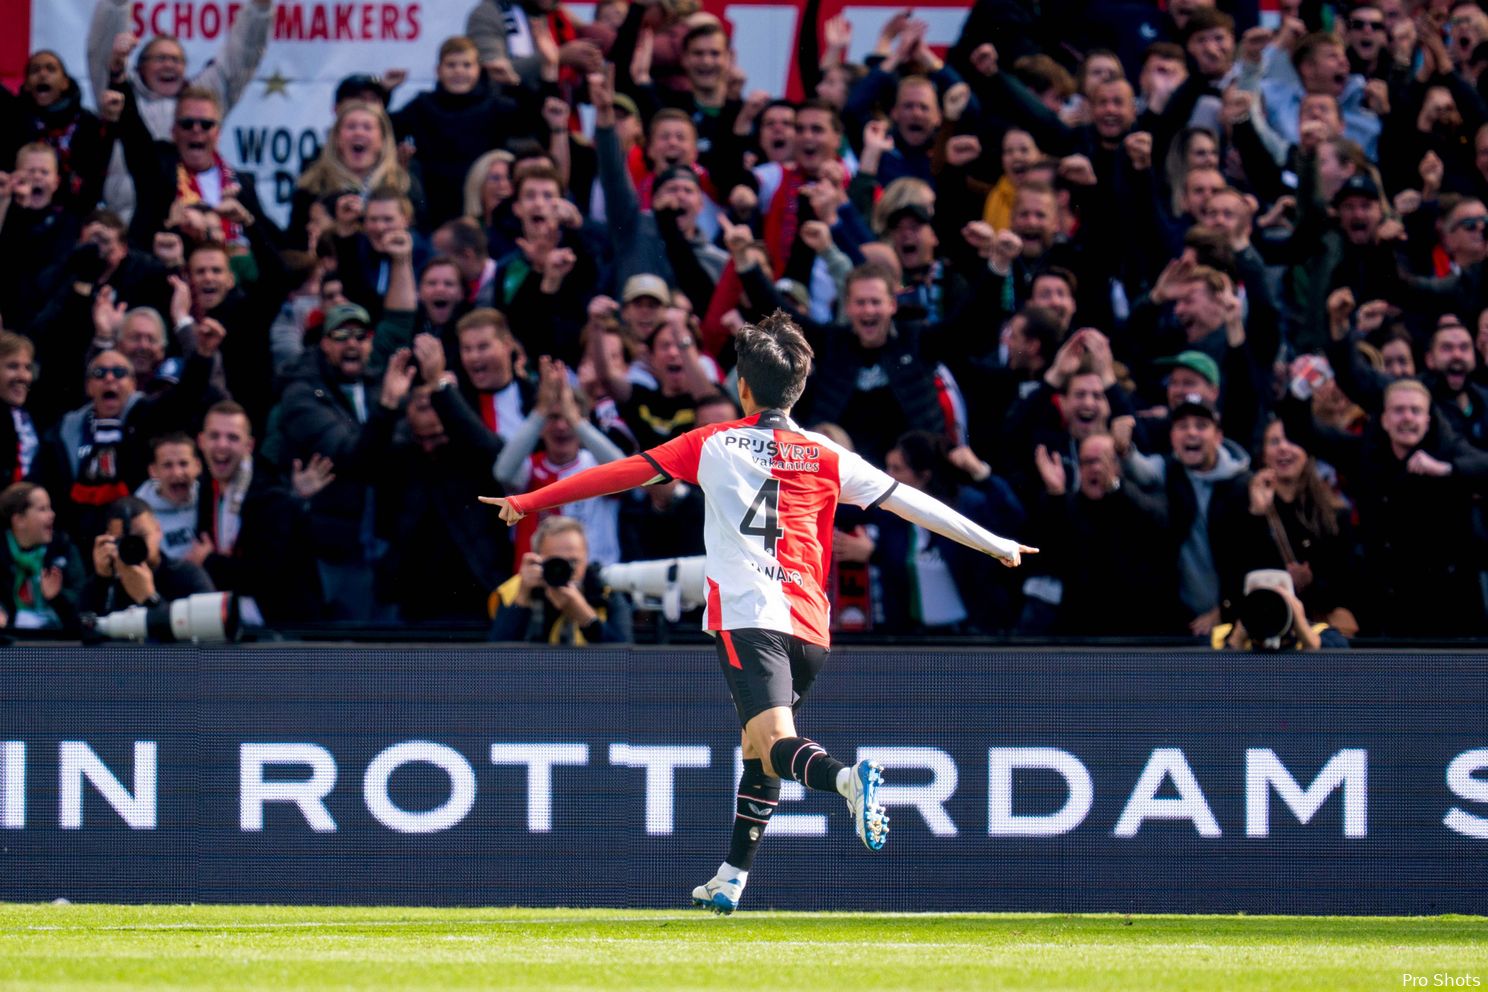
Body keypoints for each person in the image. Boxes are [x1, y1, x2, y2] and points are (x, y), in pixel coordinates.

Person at [482, 310, 1036, 913]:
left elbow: (620, 474)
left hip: (750, 615)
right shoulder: (827, 453)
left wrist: (528, 500)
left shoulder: (713, 443)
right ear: (798, 388)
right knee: (757, 746)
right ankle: (731, 877)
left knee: (775, 741)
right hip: (810, 627)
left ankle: (847, 780)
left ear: (742, 387)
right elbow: (913, 505)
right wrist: (995, 542)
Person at [488, 514, 633, 643]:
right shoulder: (519, 587)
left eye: (573, 562)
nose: (564, 569)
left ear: (587, 557)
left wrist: (585, 616)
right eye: (555, 562)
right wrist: (522, 597)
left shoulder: (606, 590)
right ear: (538, 558)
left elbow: (625, 659)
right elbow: (496, 656)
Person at [0, 481, 85, 632]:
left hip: (56, 642)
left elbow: (84, 608)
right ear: (19, 520)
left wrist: (57, 597)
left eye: (50, 508)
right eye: (42, 509)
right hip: (9, 643)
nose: (52, 515)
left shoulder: (63, 548)